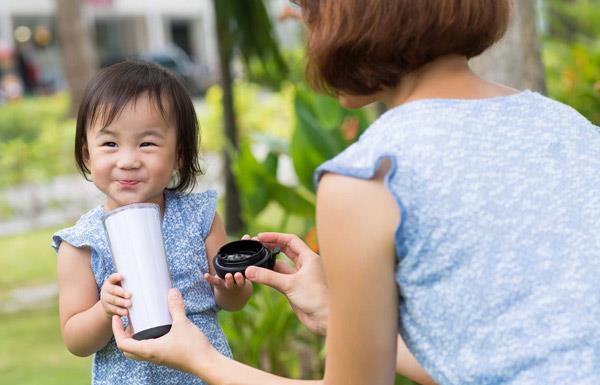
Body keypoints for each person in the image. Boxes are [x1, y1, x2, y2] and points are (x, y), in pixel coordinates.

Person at [114, 0, 600, 384]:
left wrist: (202, 360)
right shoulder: (568, 127)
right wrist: (335, 315)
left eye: (311, 14)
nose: (309, 38)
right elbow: (512, 362)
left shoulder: (369, 174)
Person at [52, 61, 252, 385]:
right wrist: (105, 310)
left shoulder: (199, 218)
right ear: (88, 155)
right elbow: (75, 339)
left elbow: (232, 301)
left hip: (200, 376)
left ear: (179, 155)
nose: (128, 160)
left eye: (147, 144)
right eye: (110, 144)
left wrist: (234, 285)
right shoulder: (82, 244)